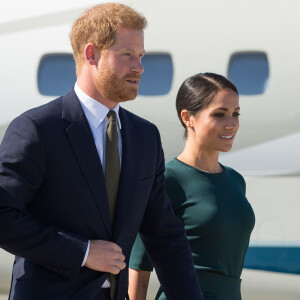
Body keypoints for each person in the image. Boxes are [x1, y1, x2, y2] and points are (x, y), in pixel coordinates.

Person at [0, 3, 203, 300]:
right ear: (91, 54)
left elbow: (164, 234)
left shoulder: (145, 137)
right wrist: (81, 252)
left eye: (141, 56)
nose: (139, 67)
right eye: (127, 55)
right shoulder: (37, 129)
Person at [129, 73, 256, 300]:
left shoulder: (236, 181)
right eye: (220, 114)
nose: (232, 124)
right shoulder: (166, 180)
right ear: (188, 118)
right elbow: (138, 266)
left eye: (235, 114)